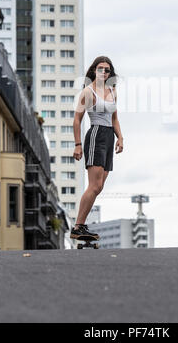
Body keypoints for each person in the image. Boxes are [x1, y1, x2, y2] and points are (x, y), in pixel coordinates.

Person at [70, 56, 124, 241]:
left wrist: (120, 137)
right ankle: (78, 226)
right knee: (94, 185)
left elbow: (114, 118)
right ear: (94, 70)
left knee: (99, 186)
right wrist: (77, 145)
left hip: (109, 137)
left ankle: (81, 225)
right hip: (95, 135)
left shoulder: (112, 90)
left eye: (107, 70)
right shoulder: (88, 91)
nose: (103, 72)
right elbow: (77, 119)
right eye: (100, 68)